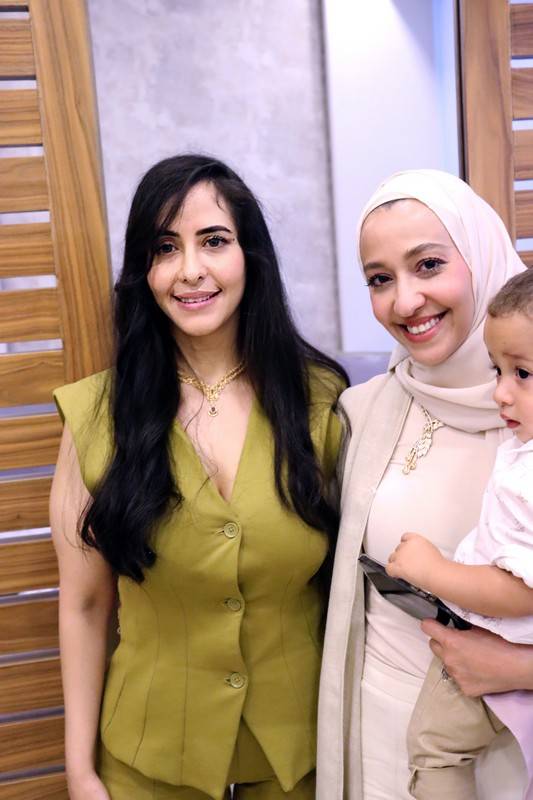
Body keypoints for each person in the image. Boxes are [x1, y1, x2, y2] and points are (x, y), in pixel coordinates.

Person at [50, 154, 348, 800]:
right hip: (148, 759)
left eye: (213, 241)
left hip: (302, 757)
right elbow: (85, 604)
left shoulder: (322, 401)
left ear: (250, 256)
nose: (190, 270)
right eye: (165, 248)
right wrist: (79, 771)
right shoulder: (96, 414)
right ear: (144, 270)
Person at [316, 169, 532, 800]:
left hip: (511, 749)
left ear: (480, 254)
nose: (405, 301)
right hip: (381, 736)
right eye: (380, 279)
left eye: (429, 265)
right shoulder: (360, 411)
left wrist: (519, 667)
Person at [387, 267, 533, 799]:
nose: (501, 393)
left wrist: (433, 571)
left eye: (523, 374)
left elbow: (522, 590)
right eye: (498, 370)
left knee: (434, 748)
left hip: (500, 641)